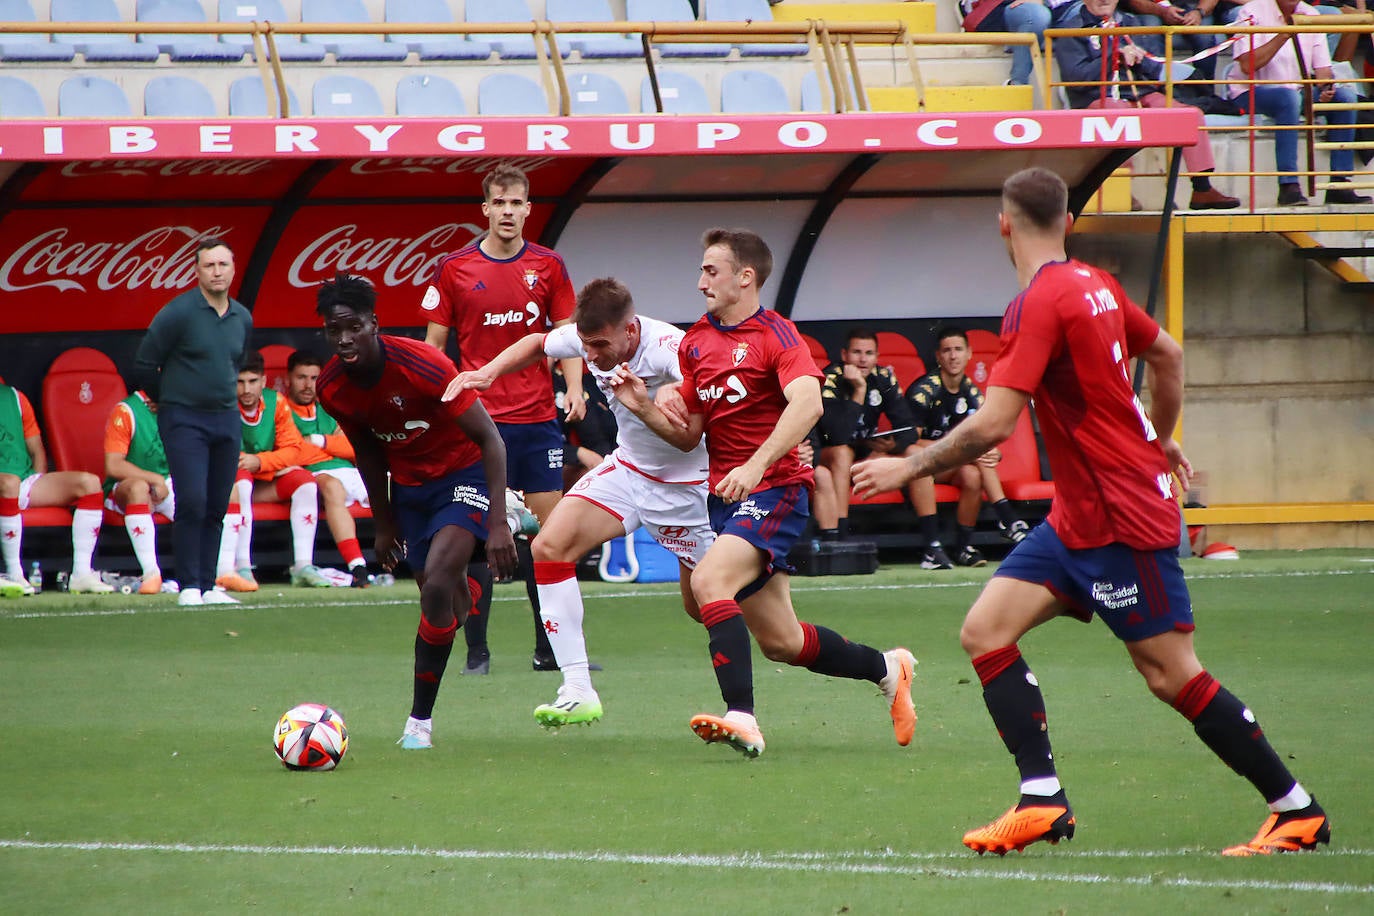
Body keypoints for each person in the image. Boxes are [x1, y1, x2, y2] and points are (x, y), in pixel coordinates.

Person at [853, 167, 1330, 857]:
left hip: (1120, 516)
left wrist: (908, 464)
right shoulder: (1096, 284)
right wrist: (1161, 436)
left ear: (1004, 224)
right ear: (1069, 222)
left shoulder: (1036, 302)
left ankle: (1296, 809)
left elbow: (993, 426)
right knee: (986, 632)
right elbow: (1167, 354)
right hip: (1078, 516)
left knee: (1171, 673)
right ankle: (1041, 799)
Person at [615, 227, 916, 758]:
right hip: (726, 496)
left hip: (775, 490)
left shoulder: (777, 335)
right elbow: (690, 435)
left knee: (711, 582)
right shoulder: (695, 343)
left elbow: (809, 405)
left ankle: (743, 718)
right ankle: (887, 668)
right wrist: (644, 408)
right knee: (781, 641)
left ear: (744, 277)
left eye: (712, 270)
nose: (701, 280)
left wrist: (757, 464)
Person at [446, 277, 716, 728]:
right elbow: (537, 342)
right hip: (628, 472)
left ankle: (765, 679)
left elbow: (703, 386)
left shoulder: (673, 348)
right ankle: (576, 688)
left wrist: (678, 391)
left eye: (599, 345)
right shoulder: (589, 334)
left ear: (630, 330)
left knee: (705, 606)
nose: (589, 355)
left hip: (684, 487)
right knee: (549, 548)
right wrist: (488, 372)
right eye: (584, 344)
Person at [316, 272, 518, 750]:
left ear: (374, 324)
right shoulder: (331, 387)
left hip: (463, 477)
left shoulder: (424, 365)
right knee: (443, 599)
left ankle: (418, 723)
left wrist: (496, 522)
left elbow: (491, 439)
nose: (344, 339)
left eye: (353, 327)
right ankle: (465, 588)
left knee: (438, 579)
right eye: (334, 330)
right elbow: (367, 452)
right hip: (410, 491)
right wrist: (384, 524)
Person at [422, 161, 582, 674]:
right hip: (478, 423)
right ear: (485, 208)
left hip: (537, 423)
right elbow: (435, 348)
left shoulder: (550, 266)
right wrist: (442, 406)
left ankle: (549, 651)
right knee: (475, 534)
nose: (508, 212)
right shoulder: (455, 268)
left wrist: (575, 387)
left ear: (528, 209)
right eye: (500, 203)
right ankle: (477, 653)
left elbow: (568, 335)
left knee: (549, 539)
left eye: (517, 203)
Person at [132, 238, 252, 607]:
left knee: (218, 503)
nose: (216, 272)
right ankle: (188, 586)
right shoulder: (178, 312)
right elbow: (143, 364)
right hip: (184, 418)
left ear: (233, 269)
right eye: (209, 266)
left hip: (226, 419)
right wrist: (167, 399)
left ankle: (208, 584)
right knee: (193, 501)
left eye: (223, 265)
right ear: (197, 271)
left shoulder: (242, 317)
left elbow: (235, 363)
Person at [1054, 0, 1242, 210]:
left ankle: (1202, 189)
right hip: (1099, 97)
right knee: (1119, 116)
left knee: (1189, 115)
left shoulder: (1131, 23)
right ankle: (1121, 190)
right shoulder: (1070, 29)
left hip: (1140, 92)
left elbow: (1156, 69)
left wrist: (1142, 60)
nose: (1105, 0)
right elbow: (1077, 77)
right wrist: (1113, 55)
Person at [905, 326, 1031, 568]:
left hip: (951, 465)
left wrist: (993, 451)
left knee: (973, 475)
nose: (953, 356)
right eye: (947, 351)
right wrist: (963, 449)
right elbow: (911, 443)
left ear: (969, 354)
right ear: (938, 356)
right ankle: (1006, 519)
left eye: (958, 350)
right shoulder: (924, 391)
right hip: (922, 468)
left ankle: (962, 547)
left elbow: (988, 437)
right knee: (968, 451)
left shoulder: (972, 392)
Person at [1226, 0, 1373, 205]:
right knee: (1288, 98)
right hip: (1251, 90)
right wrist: (1284, 34)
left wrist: (1325, 88)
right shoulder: (1250, 12)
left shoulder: (1310, 13)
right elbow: (1246, 66)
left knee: (1345, 97)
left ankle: (1340, 184)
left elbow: (1322, 70)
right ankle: (1288, 186)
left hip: (1296, 90)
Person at [227, 350, 334, 589]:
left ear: (263, 381)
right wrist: (256, 463)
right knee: (241, 479)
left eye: (253, 382)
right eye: (240, 382)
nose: (246, 390)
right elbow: (228, 455)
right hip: (231, 485)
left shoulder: (276, 402)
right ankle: (242, 566)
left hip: (264, 478)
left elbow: (292, 450)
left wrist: (261, 462)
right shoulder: (224, 404)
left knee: (305, 481)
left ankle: (303, 566)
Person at [0, 381, 113, 596]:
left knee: (89, 483)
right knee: (10, 483)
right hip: (6, 483)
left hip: (20, 481)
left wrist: (37, 479)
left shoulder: (14, 397)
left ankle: (81, 573)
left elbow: (37, 450)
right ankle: (15, 573)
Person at [814, 328, 919, 545]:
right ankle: (841, 533)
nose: (863, 359)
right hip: (826, 454)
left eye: (869, 353)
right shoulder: (829, 378)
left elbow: (909, 426)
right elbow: (838, 435)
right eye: (857, 352)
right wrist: (859, 391)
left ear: (877, 357)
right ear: (845, 355)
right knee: (843, 452)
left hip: (861, 452)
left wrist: (892, 445)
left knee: (914, 452)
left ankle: (932, 543)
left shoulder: (882, 377)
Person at [283, 349, 373, 588]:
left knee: (394, 485)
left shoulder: (331, 407)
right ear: (289, 378)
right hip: (313, 474)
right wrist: (333, 444)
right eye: (301, 377)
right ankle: (358, 565)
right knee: (332, 487)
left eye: (313, 378)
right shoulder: (283, 410)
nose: (307, 385)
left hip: (351, 470)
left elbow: (356, 447)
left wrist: (320, 441)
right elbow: (295, 452)